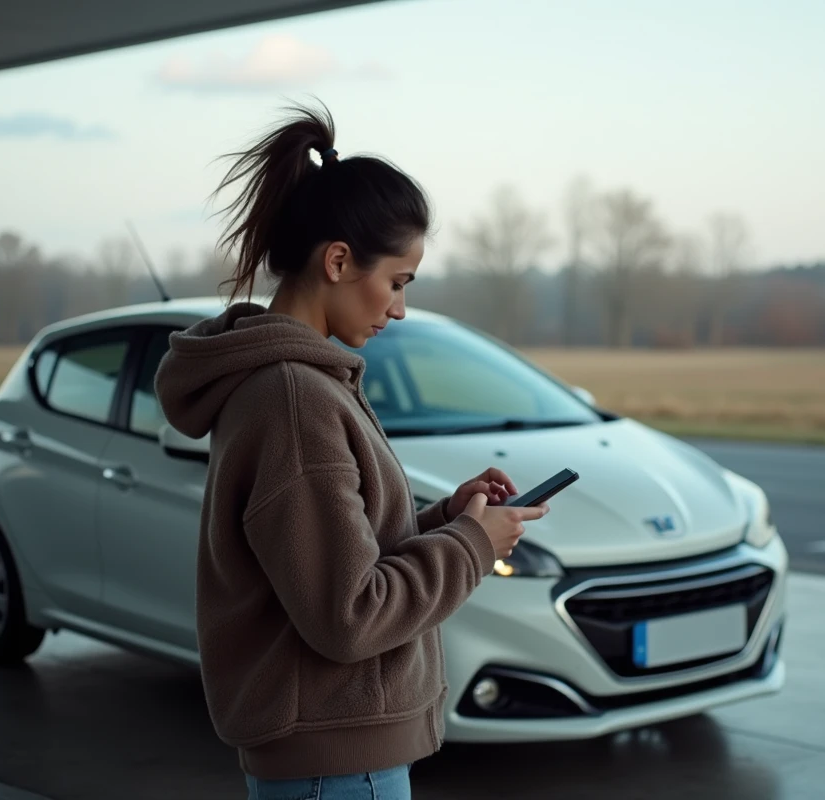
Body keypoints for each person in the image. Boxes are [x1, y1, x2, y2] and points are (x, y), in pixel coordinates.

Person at [153, 101, 548, 800]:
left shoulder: (297, 384)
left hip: (327, 757)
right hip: (337, 764)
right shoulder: (294, 398)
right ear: (338, 260)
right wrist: (471, 547)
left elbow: (332, 561)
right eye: (396, 282)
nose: (398, 308)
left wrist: (448, 519)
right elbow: (350, 614)